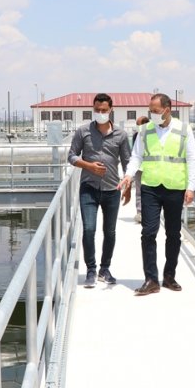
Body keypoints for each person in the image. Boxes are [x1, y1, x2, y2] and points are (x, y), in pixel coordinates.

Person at [118, 93, 195, 296]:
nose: (152, 114)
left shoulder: (183, 129)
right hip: (150, 187)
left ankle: (169, 276)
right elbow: (136, 156)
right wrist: (127, 176)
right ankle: (151, 279)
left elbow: (192, 159)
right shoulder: (145, 130)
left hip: (175, 187)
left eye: (155, 111)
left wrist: (191, 187)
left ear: (167, 109)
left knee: (173, 234)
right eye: (150, 111)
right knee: (148, 232)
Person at [68, 93, 130, 288]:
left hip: (112, 189)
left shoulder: (121, 135)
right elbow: (71, 156)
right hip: (89, 188)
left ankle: (105, 269)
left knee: (109, 231)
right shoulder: (83, 131)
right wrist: (88, 166)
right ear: (93, 109)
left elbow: (128, 162)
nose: (100, 113)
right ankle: (91, 270)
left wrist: (128, 187)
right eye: (97, 110)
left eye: (104, 110)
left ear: (111, 110)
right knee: (88, 229)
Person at [129, 115, 149, 223]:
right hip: (139, 168)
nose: (137, 126)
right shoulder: (136, 135)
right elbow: (135, 152)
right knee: (139, 190)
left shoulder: (153, 134)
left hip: (150, 168)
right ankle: (140, 212)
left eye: (138, 124)